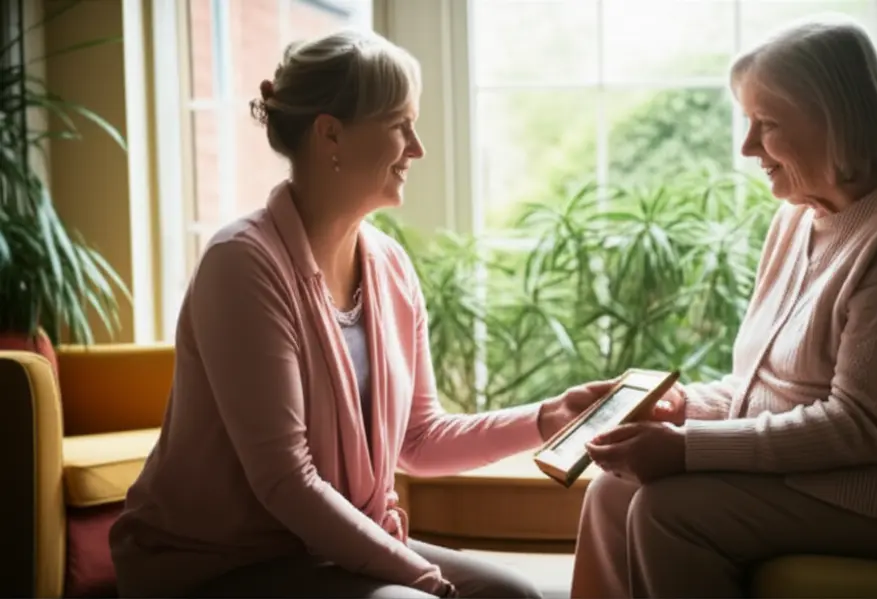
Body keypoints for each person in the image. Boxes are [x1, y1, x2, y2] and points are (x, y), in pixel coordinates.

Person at [109, 29, 615, 599]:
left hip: (326, 551)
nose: (417, 148)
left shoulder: (390, 267)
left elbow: (420, 440)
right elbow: (285, 480)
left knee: (511, 596)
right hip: (219, 564)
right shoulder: (242, 264)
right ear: (332, 135)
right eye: (402, 124)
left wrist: (549, 417)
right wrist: (417, 575)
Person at [571, 14, 877, 599]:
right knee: (610, 493)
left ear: (836, 125)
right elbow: (768, 390)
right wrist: (675, 408)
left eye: (767, 124)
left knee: (671, 510)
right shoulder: (797, 216)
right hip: (825, 475)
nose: (747, 146)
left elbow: (862, 425)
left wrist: (687, 449)